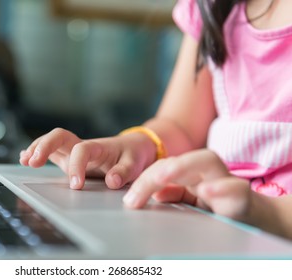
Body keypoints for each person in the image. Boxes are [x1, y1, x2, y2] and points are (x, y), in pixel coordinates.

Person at [20, 0, 292, 240]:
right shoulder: (215, 6)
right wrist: (133, 148)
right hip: (210, 230)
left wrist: (269, 213)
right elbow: (181, 126)